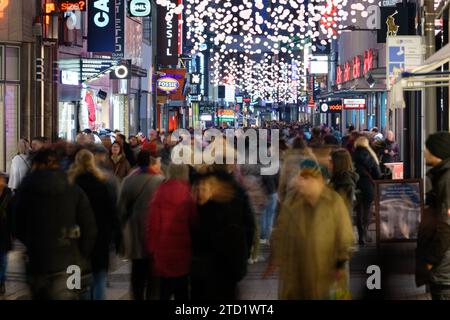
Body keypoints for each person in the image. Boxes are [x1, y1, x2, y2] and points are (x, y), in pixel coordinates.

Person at [13, 149, 97, 300]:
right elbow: (89, 226)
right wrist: (82, 252)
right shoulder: (73, 188)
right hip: (72, 262)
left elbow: (17, 224)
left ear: (37, 165)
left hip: (38, 260)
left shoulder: (26, 188)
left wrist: (32, 242)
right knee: (73, 295)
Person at [265, 159, 354, 299]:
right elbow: (280, 231)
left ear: (318, 179)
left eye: (307, 178)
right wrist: (275, 257)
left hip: (326, 271)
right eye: (301, 177)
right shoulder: (292, 203)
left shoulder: (333, 202)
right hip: (296, 273)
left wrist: (340, 263)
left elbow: (345, 234)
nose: (302, 182)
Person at [190, 166, 255, 300]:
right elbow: (249, 226)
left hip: (205, 266)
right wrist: (245, 255)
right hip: (228, 264)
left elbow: (193, 230)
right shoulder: (238, 193)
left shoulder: (202, 199)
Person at [67, 149, 120, 300]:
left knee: (76, 280)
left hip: (76, 240)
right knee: (99, 278)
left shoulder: (70, 184)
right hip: (100, 238)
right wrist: (117, 236)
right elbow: (112, 212)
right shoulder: (102, 184)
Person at [147, 164, 198, 300]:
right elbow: (194, 222)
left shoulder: (159, 192)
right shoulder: (188, 194)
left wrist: (152, 248)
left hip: (163, 248)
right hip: (184, 248)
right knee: (182, 290)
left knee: (164, 289)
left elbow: (153, 224)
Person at [118, 150, 164, 300]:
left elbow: (121, 209)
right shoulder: (159, 180)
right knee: (154, 272)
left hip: (135, 230)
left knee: (137, 270)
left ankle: (137, 296)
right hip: (155, 231)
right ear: (151, 163)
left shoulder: (128, 180)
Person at [416, 132, 450, 300]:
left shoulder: (447, 180)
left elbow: (446, 226)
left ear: (438, 152)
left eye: (427, 148)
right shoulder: (442, 177)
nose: (424, 152)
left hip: (444, 268)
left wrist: (431, 260)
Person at [353, 136, 382, 245]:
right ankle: (366, 232)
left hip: (356, 185)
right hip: (368, 185)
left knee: (359, 210)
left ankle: (360, 236)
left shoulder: (353, 154)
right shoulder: (370, 155)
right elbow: (377, 172)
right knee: (367, 209)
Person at [330, 149, 359, 216]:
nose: (328, 164)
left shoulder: (344, 182)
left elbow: (342, 208)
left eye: (331, 161)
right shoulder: (337, 178)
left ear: (338, 163)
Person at [0, 173, 12, 296]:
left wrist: (13, 231)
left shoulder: (9, 195)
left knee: (3, 259)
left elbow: (12, 214)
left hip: (4, 231)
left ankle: (1, 282)